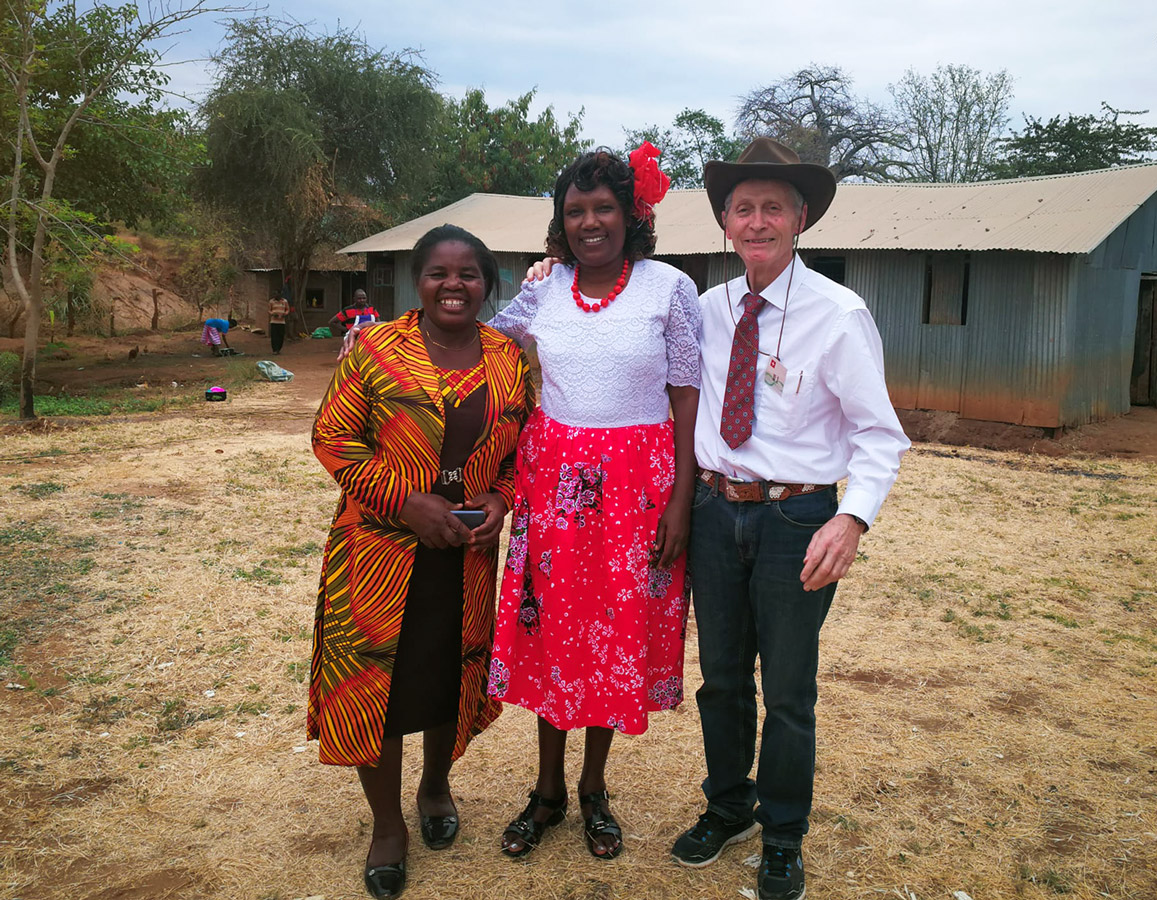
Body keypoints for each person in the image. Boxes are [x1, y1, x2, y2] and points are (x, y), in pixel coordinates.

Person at [667, 138, 910, 900]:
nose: (759, 221)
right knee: (721, 679)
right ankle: (728, 805)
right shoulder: (706, 310)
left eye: (774, 206)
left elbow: (878, 435)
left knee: (790, 688)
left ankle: (782, 833)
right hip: (714, 509)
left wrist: (853, 521)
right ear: (724, 221)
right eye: (745, 208)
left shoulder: (839, 315)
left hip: (797, 518)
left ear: (801, 216)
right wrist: (550, 269)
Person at [486, 144, 699, 862]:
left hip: (638, 493)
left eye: (602, 207)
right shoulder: (544, 289)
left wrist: (681, 502)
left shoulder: (669, 288)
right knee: (555, 635)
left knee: (612, 638)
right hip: (556, 490)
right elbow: (487, 345)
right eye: (574, 211)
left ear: (632, 212)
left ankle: (592, 790)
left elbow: (685, 393)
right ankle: (545, 792)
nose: (589, 222)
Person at [309, 225, 533, 900]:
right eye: (439, 272)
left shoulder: (509, 357)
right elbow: (333, 438)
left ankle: (436, 787)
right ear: (418, 280)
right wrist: (405, 503)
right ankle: (387, 826)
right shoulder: (376, 348)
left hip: (464, 559)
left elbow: (528, 449)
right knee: (379, 686)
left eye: (469, 273)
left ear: (489, 285)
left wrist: (501, 499)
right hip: (377, 554)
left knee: (443, 678)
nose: (454, 285)